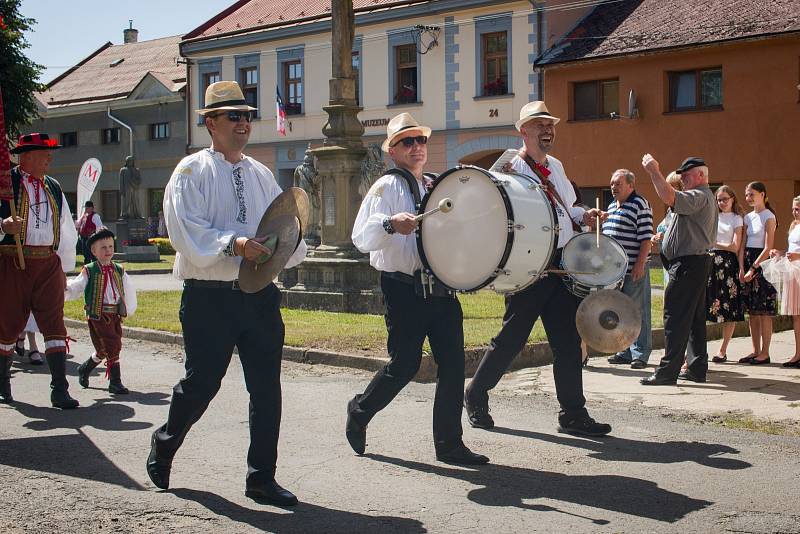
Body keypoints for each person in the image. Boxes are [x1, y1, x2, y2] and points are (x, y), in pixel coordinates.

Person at [146, 81, 307, 506]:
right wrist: (234, 243)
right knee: (202, 383)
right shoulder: (190, 172)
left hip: (258, 296)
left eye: (247, 115)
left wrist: (287, 246)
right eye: (233, 116)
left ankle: (261, 478)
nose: (243, 123)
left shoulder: (260, 173)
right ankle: (164, 443)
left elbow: (285, 224)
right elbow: (186, 232)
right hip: (209, 297)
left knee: (266, 388)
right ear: (210, 123)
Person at [346, 112, 489, 465]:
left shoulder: (435, 187)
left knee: (454, 366)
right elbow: (361, 236)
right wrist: (390, 224)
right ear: (392, 151)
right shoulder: (386, 187)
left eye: (421, 140)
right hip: (403, 289)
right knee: (405, 365)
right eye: (407, 142)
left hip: (440, 290)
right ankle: (360, 411)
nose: (416, 147)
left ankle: (449, 445)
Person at [464, 101, 611, 437]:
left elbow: (569, 208)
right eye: (540, 125)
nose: (547, 130)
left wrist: (584, 215)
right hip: (528, 264)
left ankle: (573, 413)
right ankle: (475, 394)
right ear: (523, 131)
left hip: (560, 266)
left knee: (568, 343)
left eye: (550, 125)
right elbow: (492, 210)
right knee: (512, 339)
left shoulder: (556, 166)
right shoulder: (508, 166)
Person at [0, 133, 79, 407]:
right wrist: (3, 227)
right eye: (45, 153)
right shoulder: (5, 183)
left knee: (54, 323)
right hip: (14, 261)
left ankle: (60, 390)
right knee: (8, 323)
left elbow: (66, 226)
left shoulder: (53, 186)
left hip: (47, 262)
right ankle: (2, 384)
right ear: (27, 155)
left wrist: (64, 267)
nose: (50, 158)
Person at [639, 155, 717, 385]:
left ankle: (667, 372)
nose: (682, 179)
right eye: (681, 175)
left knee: (675, 317)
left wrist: (654, 170)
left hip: (689, 264)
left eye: (687, 175)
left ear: (701, 176)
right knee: (693, 318)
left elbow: (669, 196)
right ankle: (696, 367)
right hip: (693, 262)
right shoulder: (701, 196)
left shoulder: (699, 194)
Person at [66, 228, 137, 395]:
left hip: (114, 314)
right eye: (103, 247)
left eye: (111, 246)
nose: (108, 251)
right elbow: (78, 286)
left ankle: (85, 368)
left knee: (103, 349)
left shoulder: (119, 270)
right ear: (94, 251)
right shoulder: (90, 270)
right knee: (113, 345)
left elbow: (128, 289)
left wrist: (129, 308)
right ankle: (115, 381)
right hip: (97, 315)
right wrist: (66, 289)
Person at [602, 169, 654, 369]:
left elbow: (646, 238)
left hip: (634, 268)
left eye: (618, 184)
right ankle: (624, 351)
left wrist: (640, 264)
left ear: (631, 185)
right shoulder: (612, 206)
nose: (613, 187)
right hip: (615, 272)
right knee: (621, 312)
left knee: (638, 311)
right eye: (612, 183)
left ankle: (640, 354)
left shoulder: (640, 204)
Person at [738, 182, 777, 365]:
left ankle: (765, 352)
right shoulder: (747, 217)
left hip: (762, 265)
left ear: (762, 194)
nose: (749, 198)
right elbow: (743, 243)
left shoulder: (769, 216)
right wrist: (741, 267)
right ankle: (755, 350)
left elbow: (768, 246)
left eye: (752, 194)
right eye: (746, 195)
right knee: (753, 312)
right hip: (748, 262)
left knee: (764, 312)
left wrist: (753, 268)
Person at [706, 185, 745, 363]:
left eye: (725, 199)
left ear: (733, 199)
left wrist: (715, 243)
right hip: (710, 262)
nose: (722, 202)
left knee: (729, 307)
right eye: (719, 199)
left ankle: (723, 349)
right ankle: (699, 350)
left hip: (728, 264)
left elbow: (735, 246)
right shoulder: (712, 216)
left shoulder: (737, 219)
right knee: (706, 305)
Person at [762, 195, 800, 367]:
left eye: (797, 209)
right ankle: (798, 353)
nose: (794, 212)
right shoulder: (794, 225)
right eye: (793, 209)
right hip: (793, 270)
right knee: (796, 316)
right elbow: (792, 250)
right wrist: (781, 253)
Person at [651, 172, 684, 285]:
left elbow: (687, 236)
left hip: (680, 263)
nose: (666, 189)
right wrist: (655, 238)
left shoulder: (684, 210)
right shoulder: (670, 210)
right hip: (668, 262)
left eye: (671, 186)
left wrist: (665, 236)